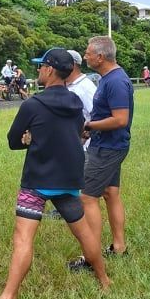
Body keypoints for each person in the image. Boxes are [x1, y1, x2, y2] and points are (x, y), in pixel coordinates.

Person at [0, 49, 110, 299]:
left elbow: (13, 141)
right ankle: (104, 281)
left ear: (49, 70)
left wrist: (29, 138)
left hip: (37, 179)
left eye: (41, 67)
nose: (38, 71)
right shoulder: (74, 103)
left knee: (23, 238)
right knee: (84, 234)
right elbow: (80, 132)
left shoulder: (33, 104)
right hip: (69, 177)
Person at [69, 36, 134, 271]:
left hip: (107, 148)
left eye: (87, 53)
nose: (84, 56)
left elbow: (120, 119)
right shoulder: (109, 78)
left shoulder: (115, 81)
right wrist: (91, 130)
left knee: (87, 197)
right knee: (110, 193)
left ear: (100, 56)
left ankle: (91, 256)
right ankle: (119, 247)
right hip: (108, 144)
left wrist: (89, 126)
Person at [46, 49, 97, 221]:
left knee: (79, 180)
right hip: (68, 143)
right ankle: (63, 210)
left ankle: (75, 213)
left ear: (73, 65)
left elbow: (95, 115)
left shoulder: (85, 87)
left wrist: (83, 137)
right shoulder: (68, 86)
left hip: (82, 144)